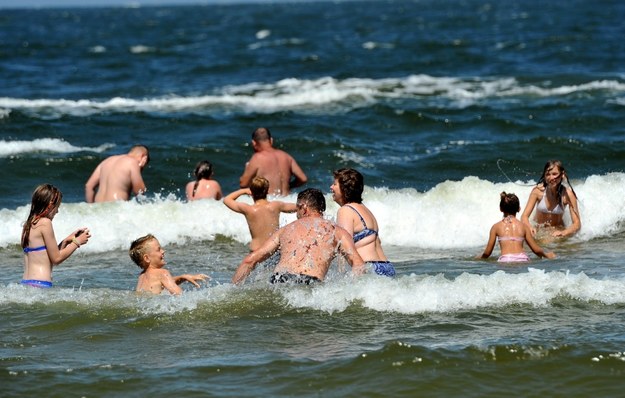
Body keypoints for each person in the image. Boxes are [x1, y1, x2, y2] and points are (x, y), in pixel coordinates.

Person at [232, 188, 366, 285]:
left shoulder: (285, 230)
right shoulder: (337, 231)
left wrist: (233, 290)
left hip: (278, 281)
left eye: (297, 209)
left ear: (304, 207)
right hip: (310, 284)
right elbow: (358, 265)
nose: (296, 213)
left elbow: (250, 261)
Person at [21, 184, 91, 288]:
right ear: (50, 205)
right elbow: (56, 259)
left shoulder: (28, 225)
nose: (57, 211)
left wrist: (66, 241)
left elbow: (44, 257)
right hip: (41, 284)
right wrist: (77, 242)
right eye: (57, 207)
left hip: (26, 284)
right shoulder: (45, 222)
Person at [330, 168, 396, 276]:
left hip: (369, 268)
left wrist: (340, 276)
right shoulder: (366, 210)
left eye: (334, 184)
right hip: (386, 267)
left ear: (344, 188)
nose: (331, 187)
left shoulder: (346, 210)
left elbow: (345, 247)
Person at [224, 176, 297, 251]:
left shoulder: (249, 209)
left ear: (251, 192)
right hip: (273, 249)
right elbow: (297, 207)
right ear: (267, 191)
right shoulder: (275, 206)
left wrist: (244, 191)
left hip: (256, 250)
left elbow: (226, 200)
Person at [479, 192, 556, 263]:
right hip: (523, 259)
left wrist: (478, 258)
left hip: (505, 260)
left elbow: (487, 253)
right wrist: (547, 256)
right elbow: (536, 250)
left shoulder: (495, 227)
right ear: (519, 209)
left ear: (500, 209)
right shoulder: (524, 227)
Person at [129, 234, 209, 295]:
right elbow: (180, 295)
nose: (163, 251)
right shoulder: (163, 273)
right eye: (158, 249)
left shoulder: (142, 276)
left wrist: (183, 277)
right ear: (147, 258)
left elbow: (160, 283)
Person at [239, 127, 307, 196]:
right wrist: (289, 186)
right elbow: (303, 179)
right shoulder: (286, 156)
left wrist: (247, 169)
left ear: (254, 143)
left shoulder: (257, 158)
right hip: (287, 201)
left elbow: (243, 184)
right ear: (271, 140)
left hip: (270, 203)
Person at [520, 160, 581, 238]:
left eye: (554, 174)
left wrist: (564, 233)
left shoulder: (568, 195)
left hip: (557, 232)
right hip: (538, 231)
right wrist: (529, 227)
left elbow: (577, 224)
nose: (551, 178)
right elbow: (524, 216)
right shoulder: (538, 191)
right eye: (548, 174)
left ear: (562, 174)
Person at [85, 145, 150, 203]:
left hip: (99, 208)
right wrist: (140, 166)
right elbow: (139, 191)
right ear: (143, 157)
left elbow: (88, 186)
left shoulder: (106, 161)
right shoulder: (132, 162)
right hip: (116, 207)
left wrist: (91, 207)